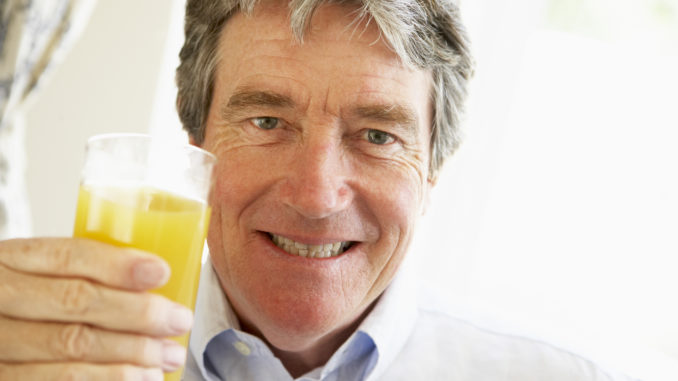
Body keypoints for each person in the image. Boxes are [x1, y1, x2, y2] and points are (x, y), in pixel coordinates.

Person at [0, 0, 636, 380]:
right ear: (196, 149)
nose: (316, 193)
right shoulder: (49, 358)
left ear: (433, 173)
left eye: (379, 135)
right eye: (267, 122)